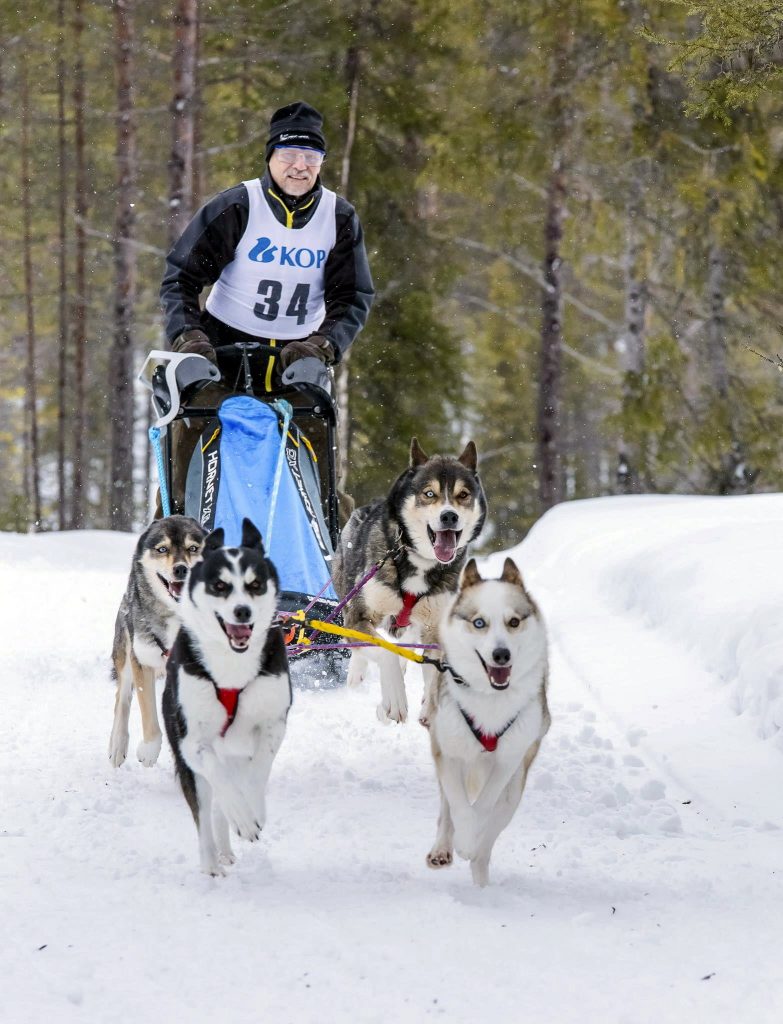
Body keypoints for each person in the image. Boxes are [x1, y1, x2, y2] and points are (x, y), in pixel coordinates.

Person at [158, 100, 374, 514]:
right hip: (223, 350)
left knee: (321, 467)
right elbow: (180, 278)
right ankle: (174, 541)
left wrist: (323, 346)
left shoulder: (339, 216)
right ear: (271, 157)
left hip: (298, 359)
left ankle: (330, 553)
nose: (300, 166)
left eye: (311, 157)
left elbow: (353, 297)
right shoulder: (238, 206)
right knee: (188, 448)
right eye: (289, 154)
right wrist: (189, 337)